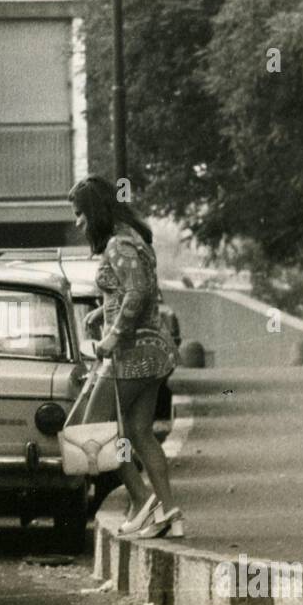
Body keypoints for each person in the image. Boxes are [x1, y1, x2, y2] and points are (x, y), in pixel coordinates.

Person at [70, 175, 182, 539]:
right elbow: (135, 292)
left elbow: (137, 294)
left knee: (93, 432)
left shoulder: (118, 245)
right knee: (139, 433)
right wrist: (101, 314)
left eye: (80, 214)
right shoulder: (134, 240)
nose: (78, 222)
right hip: (153, 352)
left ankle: (143, 500)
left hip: (130, 354)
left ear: (95, 211)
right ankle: (170, 514)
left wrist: (112, 336)